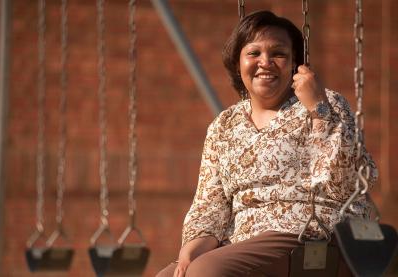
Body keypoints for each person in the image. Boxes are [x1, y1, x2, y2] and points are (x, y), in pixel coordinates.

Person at [157, 10, 377, 277]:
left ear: (295, 63)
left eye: (279, 53)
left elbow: (345, 187)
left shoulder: (326, 103)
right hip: (242, 242)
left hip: (308, 234)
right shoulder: (223, 125)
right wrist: (190, 251)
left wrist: (318, 109)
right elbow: (210, 204)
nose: (266, 62)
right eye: (254, 53)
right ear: (238, 62)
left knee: (207, 271)